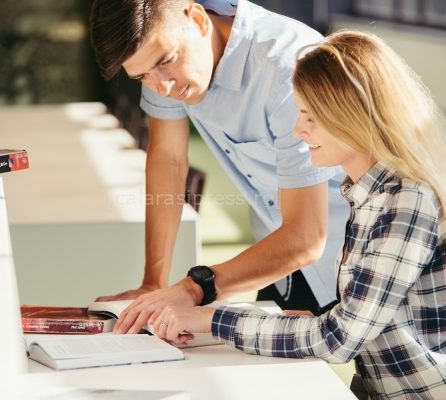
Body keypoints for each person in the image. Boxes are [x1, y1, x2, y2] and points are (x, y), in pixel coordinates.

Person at [151, 30, 446, 399]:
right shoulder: (365, 195)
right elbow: (357, 324)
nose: (298, 130)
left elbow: (339, 339)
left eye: (310, 117)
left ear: (354, 117)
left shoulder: (407, 201)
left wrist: (213, 319)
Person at [89, 0, 351, 333]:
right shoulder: (163, 62)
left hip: (359, 254)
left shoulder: (287, 68)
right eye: (142, 77)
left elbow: (307, 237)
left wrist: (195, 288)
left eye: (166, 61)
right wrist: (152, 282)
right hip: (280, 256)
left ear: (198, 20)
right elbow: (168, 159)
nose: (162, 87)